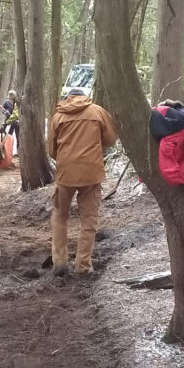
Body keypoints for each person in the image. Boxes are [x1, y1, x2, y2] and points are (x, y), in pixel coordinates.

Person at [47, 89, 117, 277]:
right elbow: (110, 139)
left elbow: (52, 149)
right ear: (84, 97)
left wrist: (65, 158)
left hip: (66, 174)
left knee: (60, 216)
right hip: (91, 173)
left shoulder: (58, 117)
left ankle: (60, 260)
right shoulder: (97, 111)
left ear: (67, 98)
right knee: (89, 220)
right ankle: (83, 265)